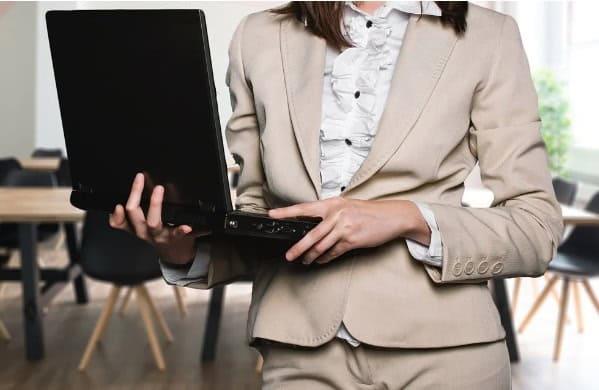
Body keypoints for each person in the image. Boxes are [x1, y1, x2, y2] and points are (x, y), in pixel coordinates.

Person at [110, 2, 564, 388]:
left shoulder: (489, 37)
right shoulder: (259, 38)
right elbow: (259, 222)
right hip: (299, 351)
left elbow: (536, 227)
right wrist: (179, 247)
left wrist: (407, 217)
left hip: (448, 350)